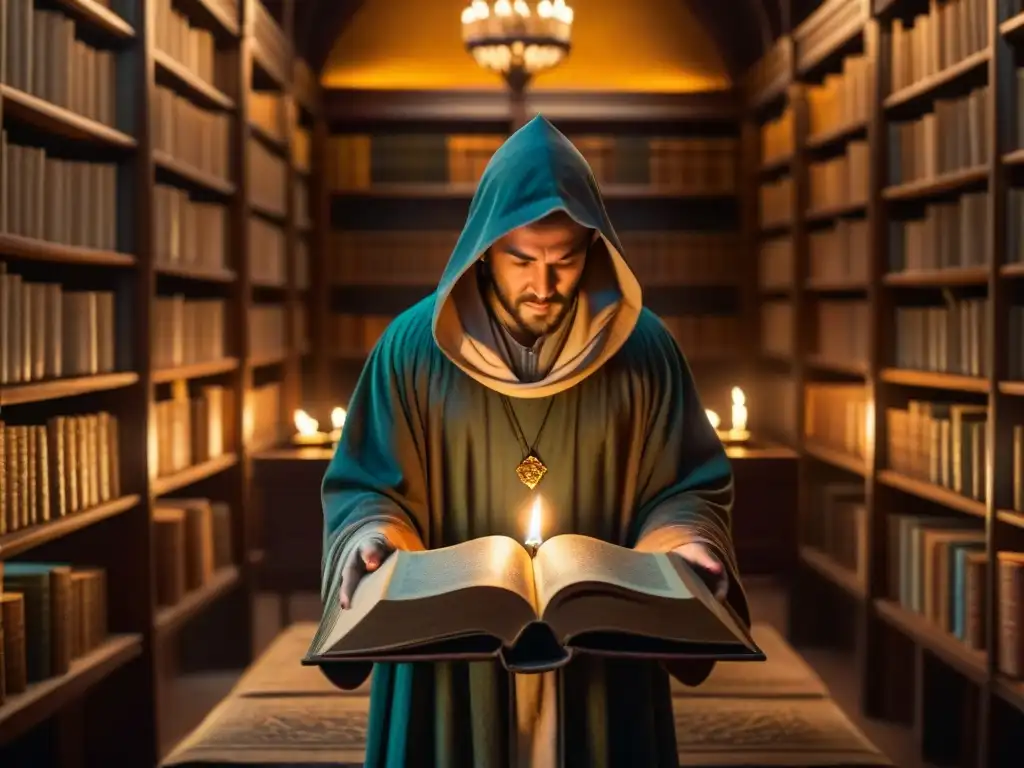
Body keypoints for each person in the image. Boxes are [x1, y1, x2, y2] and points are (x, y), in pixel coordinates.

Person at [317, 115, 750, 768]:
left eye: (565, 260)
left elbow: (685, 486)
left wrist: (683, 542)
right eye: (521, 259)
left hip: (600, 655)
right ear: (482, 248)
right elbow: (368, 486)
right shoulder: (410, 351)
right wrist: (375, 537)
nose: (543, 286)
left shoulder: (645, 350)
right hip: (452, 666)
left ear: (592, 249)